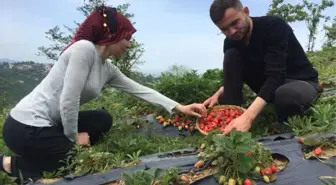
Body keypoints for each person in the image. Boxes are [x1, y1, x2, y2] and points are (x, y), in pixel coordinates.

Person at [0, 5, 206, 182]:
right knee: (78, 160)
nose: (129, 44)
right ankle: (10, 163)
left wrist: (180, 107)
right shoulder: (84, 50)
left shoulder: (107, 68)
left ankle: (53, 146)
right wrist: (73, 138)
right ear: (113, 35)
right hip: (24, 127)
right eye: (128, 37)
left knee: (103, 119)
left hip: (52, 123)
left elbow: (140, 90)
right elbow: (68, 100)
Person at [203, 0, 321, 136]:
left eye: (235, 23)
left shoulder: (274, 27)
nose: (232, 31)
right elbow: (237, 72)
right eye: (224, 29)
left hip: (298, 81)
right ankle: (232, 118)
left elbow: (276, 75)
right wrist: (223, 90)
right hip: (269, 87)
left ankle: (283, 120)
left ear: (246, 12)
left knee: (286, 95)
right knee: (231, 55)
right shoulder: (231, 42)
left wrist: (249, 116)